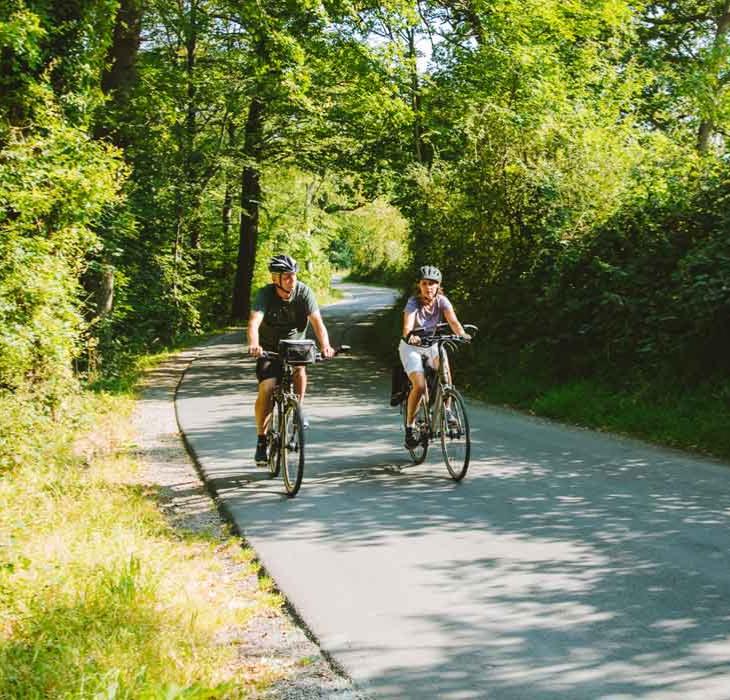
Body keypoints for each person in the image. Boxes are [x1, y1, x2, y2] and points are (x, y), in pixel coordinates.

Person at [248, 254, 334, 464]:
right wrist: (254, 344)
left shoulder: (304, 292)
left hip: (296, 346)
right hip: (269, 348)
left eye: (293, 275)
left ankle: (299, 410)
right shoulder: (265, 295)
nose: (291, 280)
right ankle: (261, 438)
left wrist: (325, 346)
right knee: (267, 388)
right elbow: (253, 323)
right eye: (286, 277)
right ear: (275, 279)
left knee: (300, 370)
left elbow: (318, 323)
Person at [400, 264, 470, 449]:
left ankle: (447, 410)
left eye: (432, 284)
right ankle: (410, 428)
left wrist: (462, 334)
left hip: (432, 344)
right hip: (412, 347)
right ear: (419, 285)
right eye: (425, 283)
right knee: (420, 386)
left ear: (438, 286)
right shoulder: (413, 302)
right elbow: (407, 326)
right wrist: (410, 335)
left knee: (444, 370)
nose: (428, 287)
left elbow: (453, 321)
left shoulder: (442, 301)